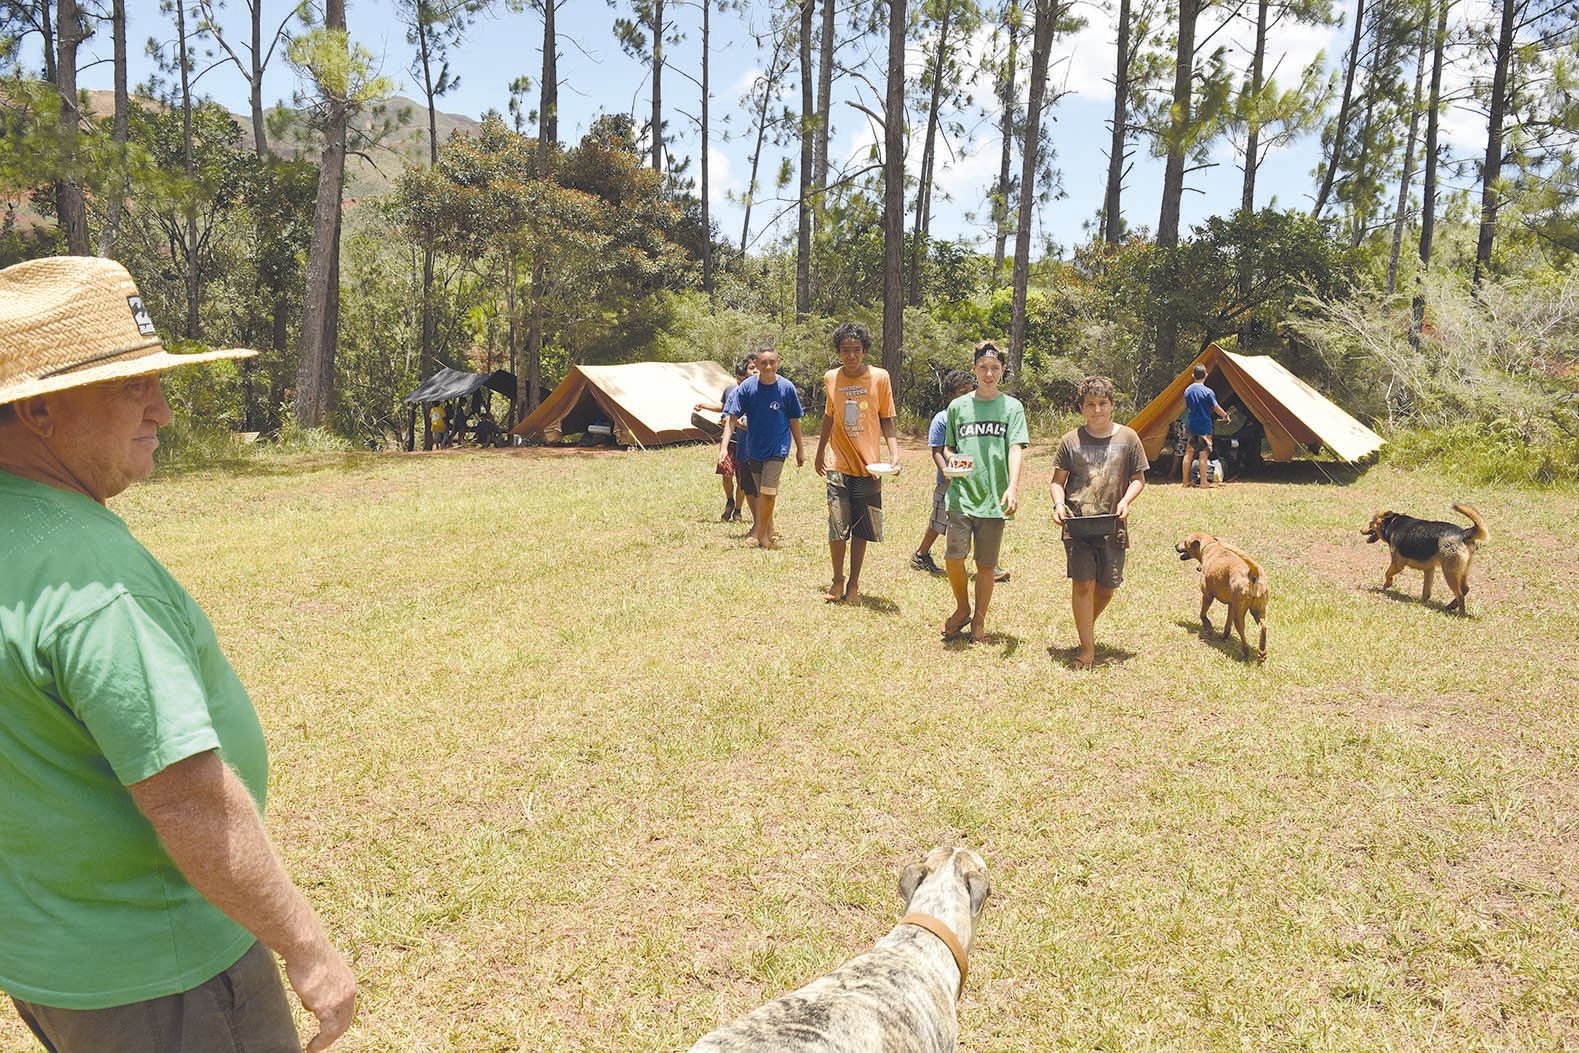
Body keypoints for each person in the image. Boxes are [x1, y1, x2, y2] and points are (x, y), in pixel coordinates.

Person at [0, 257, 356, 1052]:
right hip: (163, 981)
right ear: (42, 408)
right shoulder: (93, 580)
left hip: (52, 962)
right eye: (132, 385)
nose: (162, 408)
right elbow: (189, 801)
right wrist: (308, 948)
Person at [1050, 375, 1149, 670]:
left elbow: (1138, 479)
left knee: (1107, 587)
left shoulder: (1129, 438)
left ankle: (1084, 628)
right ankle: (1087, 648)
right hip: (1078, 526)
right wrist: (1058, 504)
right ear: (1081, 408)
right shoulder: (1070, 441)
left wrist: (1125, 501)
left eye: (1102, 403)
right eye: (1090, 404)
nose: (1097, 410)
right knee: (1083, 585)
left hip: (1113, 525)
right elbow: (1057, 483)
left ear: (1112, 405)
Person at [940, 342, 1028, 642]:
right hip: (961, 494)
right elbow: (949, 446)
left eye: (994, 368)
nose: (988, 373)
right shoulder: (958, 407)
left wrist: (1013, 487)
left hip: (994, 499)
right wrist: (951, 458)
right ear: (974, 369)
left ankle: (978, 624)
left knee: (986, 565)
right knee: (953, 557)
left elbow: (1016, 447)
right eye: (983, 368)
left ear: (1002, 371)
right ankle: (962, 608)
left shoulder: (1012, 408)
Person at [814, 322, 899, 604]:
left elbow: (886, 418)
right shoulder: (831, 378)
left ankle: (854, 583)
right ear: (838, 352)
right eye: (846, 351)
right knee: (837, 525)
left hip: (869, 466)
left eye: (857, 350)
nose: (851, 356)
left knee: (862, 526)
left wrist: (894, 453)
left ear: (864, 351)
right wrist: (819, 450)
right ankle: (837, 580)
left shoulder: (880, 378)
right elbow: (829, 415)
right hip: (838, 462)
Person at [720, 349, 804, 549]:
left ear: (778, 363)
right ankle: (769, 528)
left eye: (772, 362)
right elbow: (732, 418)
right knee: (760, 492)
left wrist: (800, 448)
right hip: (754, 447)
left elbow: (794, 420)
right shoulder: (747, 388)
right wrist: (723, 448)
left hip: (778, 446)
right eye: (763, 363)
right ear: (756, 364)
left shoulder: (786, 388)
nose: (768, 367)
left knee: (768, 491)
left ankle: (763, 536)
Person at [911, 370, 975, 576]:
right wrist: (946, 472)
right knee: (939, 521)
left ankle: (987, 562)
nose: (966, 396)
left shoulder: (976, 416)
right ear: (950, 395)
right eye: (961, 392)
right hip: (949, 480)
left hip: (973, 479)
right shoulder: (942, 419)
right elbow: (937, 452)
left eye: (969, 391)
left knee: (978, 520)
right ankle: (921, 555)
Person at [695, 355, 758, 523]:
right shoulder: (732, 391)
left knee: (743, 480)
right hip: (731, 441)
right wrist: (736, 423)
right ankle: (729, 501)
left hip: (749, 444)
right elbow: (725, 413)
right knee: (726, 475)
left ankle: (738, 510)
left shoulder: (762, 392)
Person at [1181, 363, 1229, 487]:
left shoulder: (1187, 391)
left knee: (1189, 453)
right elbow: (1215, 407)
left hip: (1192, 425)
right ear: (1206, 375)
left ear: (1193, 375)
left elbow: (1187, 407)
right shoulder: (1208, 392)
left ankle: (1185, 481)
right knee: (1204, 454)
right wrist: (1225, 415)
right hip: (1204, 426)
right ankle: (1203, 482)